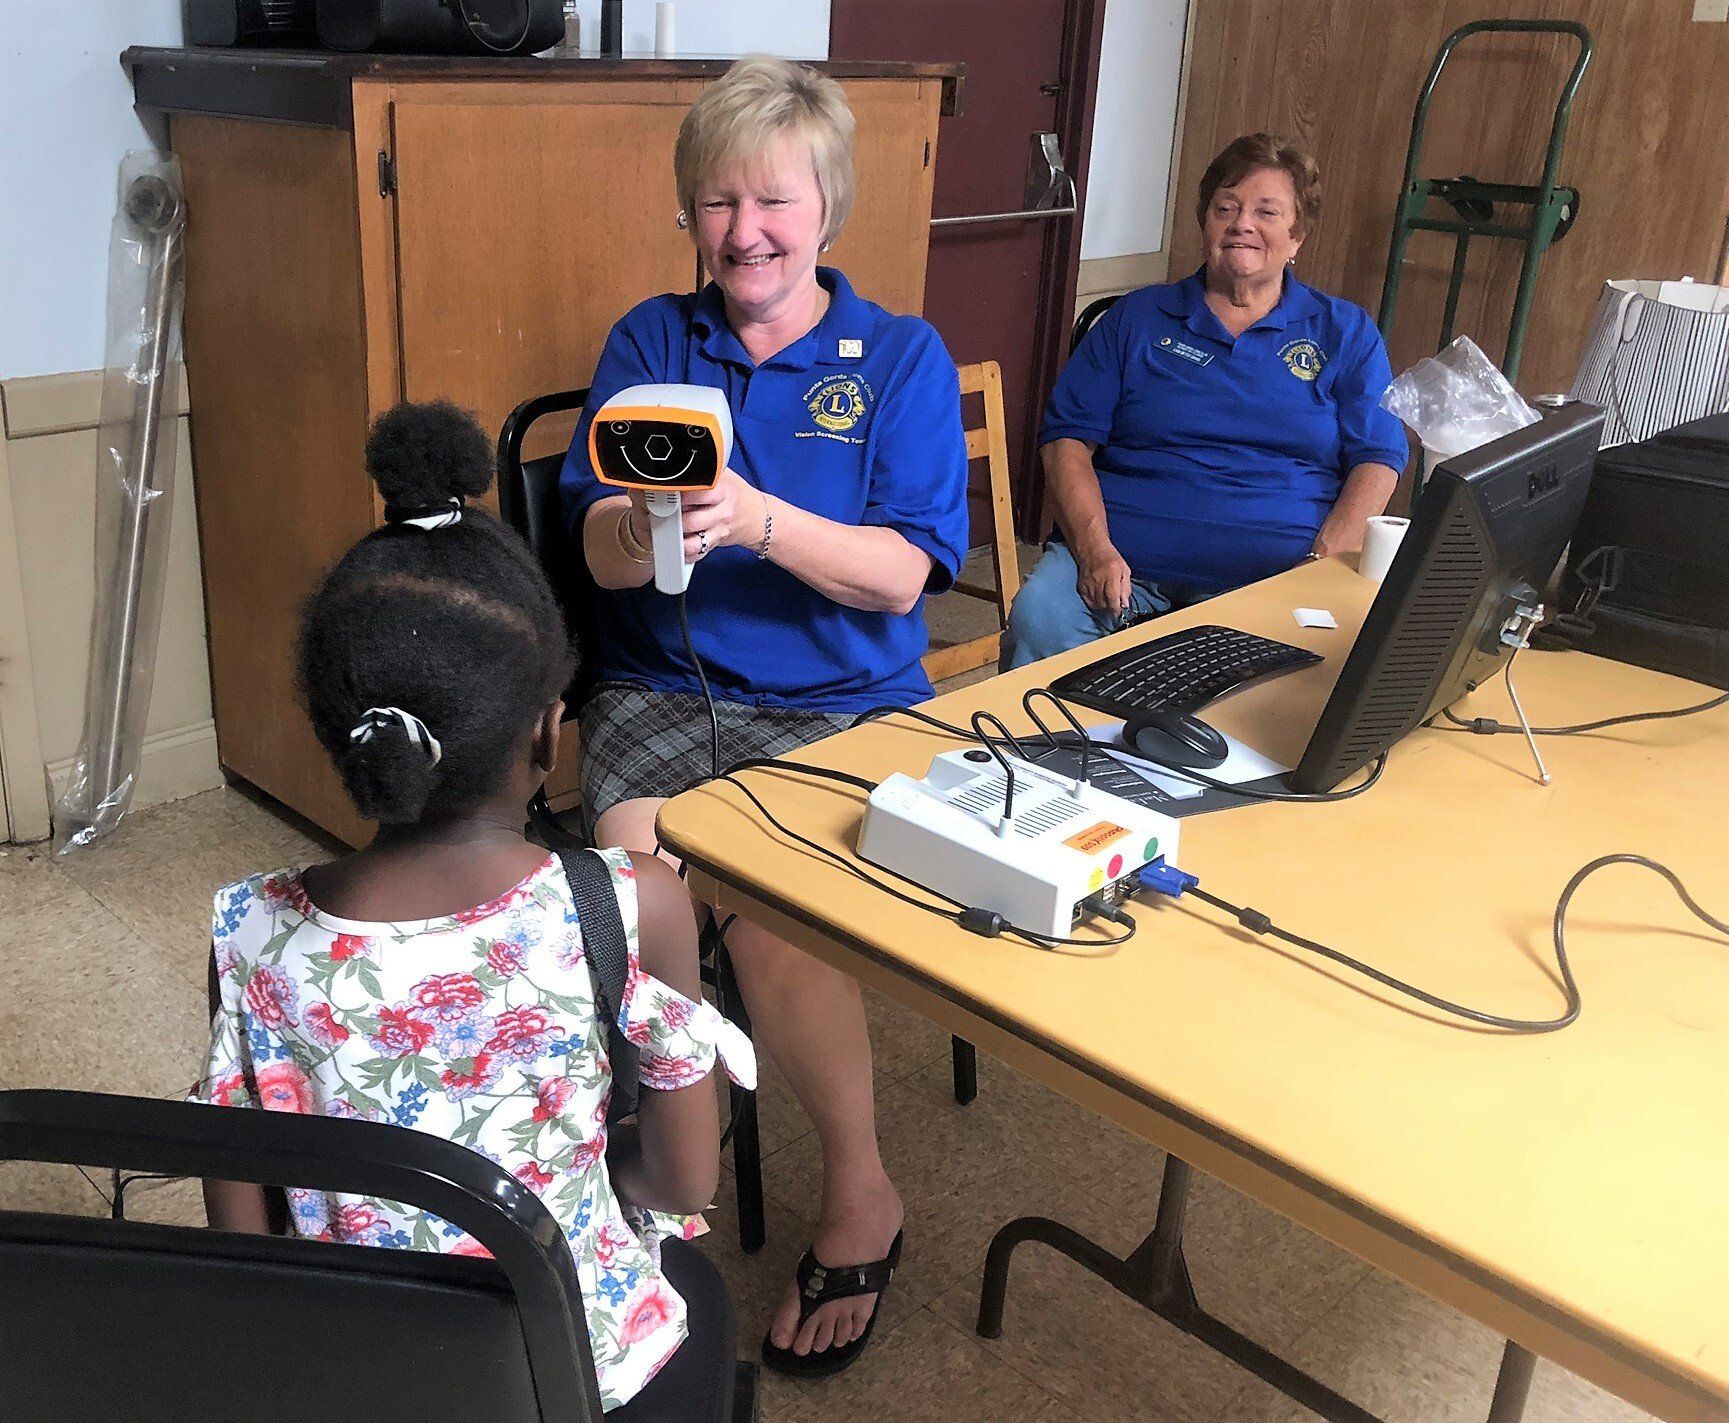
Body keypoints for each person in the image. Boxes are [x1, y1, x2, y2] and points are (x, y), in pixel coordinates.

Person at [191, 401, 755, 1420]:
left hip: (364, 1376)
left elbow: (244, 1235)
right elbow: (681, 1180)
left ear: (343, 735)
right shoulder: (630, 903)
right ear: (548, 732)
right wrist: (575, 1167)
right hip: (582, 1369)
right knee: (697, 1302)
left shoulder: (249, 929)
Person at [560, 56, 969, 1376]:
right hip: (663, 687)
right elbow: (596, 552)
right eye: (719, 200)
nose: (746, 230)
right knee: (637, 891)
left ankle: (861, 1189)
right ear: (689, 212)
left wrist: (760, 517)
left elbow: (904, 573)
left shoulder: (900, 358)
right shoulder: (647, 343)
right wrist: (641, 523)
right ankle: (664, 1176)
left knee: (772, 913)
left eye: (774, 200)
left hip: (847, 704)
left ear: (826, 209)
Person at [1001, 132, 1410, 669]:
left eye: (1267, 212)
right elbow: (1066, 441)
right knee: (1040, 618)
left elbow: (1377, 458)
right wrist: (1095, 549)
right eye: (1227, 207)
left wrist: (1321, 563)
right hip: (1121, 565)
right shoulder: (1136, 320)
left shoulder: (1343, 331)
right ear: (1205, 222)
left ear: (1297, 237)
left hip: (1273, 574)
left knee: (1301, 682)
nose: (1243, 223)